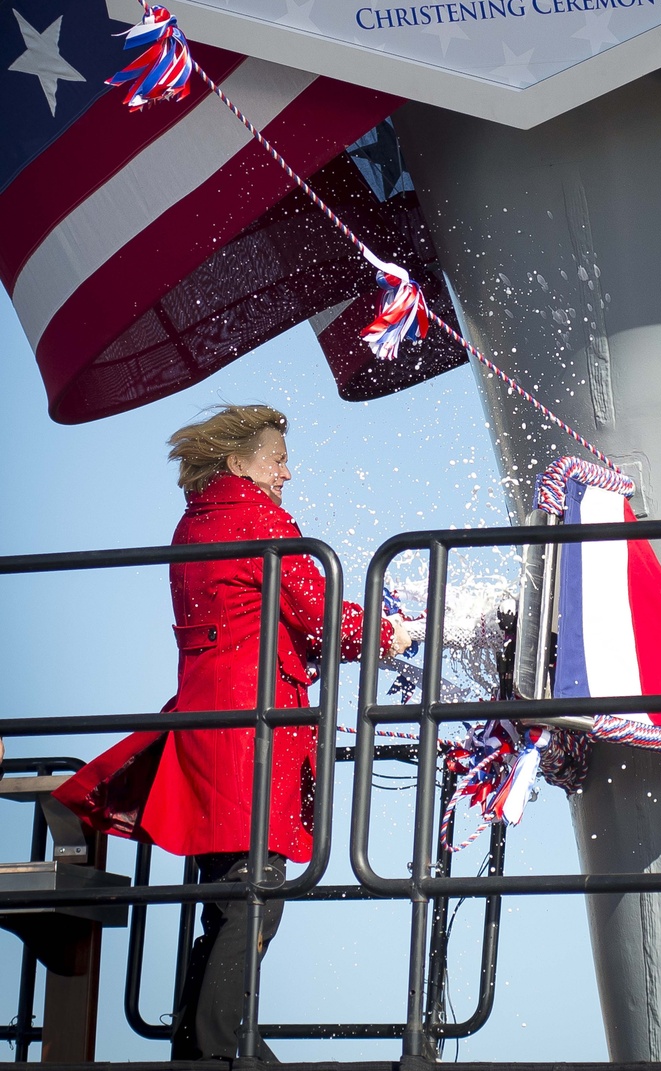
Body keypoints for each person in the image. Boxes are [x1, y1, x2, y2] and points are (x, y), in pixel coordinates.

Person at [55, 405, 413, 1063]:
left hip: (208, 719)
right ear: (237, 463)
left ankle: (198, 1038)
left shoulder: (195, 523)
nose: (287, 471)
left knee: (227, 892)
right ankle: (223, 1047)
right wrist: (394, 632)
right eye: (276, 457)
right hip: (255, 726)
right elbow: (323, 612)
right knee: (256, 892)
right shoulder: (257, 518)